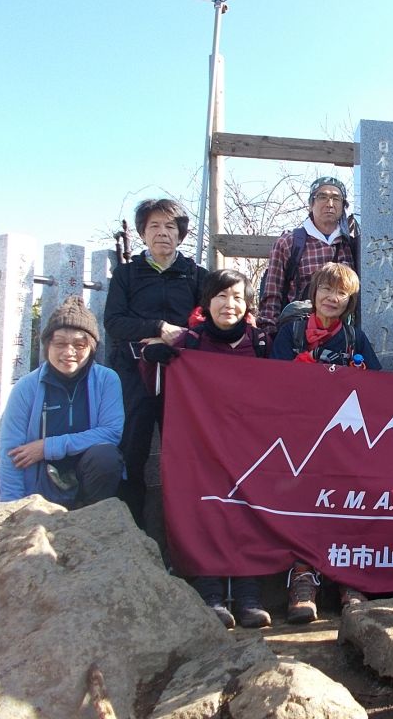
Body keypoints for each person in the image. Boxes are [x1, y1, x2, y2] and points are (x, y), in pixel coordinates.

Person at [142, 269, 272, 629]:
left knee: (249, 512)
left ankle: (249, 594)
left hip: (250, 446)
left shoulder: (261, 344)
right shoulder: (189, 342)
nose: (229, 305)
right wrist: (154, 359)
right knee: (202, 511)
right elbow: (155, 390)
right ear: (207, 301)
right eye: (221, 296)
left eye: (237, 298)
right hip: (199, 445)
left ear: (247, 306)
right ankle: (209, 590)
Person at [270, 261, 379, 622]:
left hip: (344, 438)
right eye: (326, 290)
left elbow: (380, 385)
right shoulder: (292, 332)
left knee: (344, 503)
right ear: (313, 293)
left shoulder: (354, 337)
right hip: (298, 435)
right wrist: (306, 365)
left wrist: (358, 375)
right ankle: (303, 578)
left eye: (342, 294)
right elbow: (270, 377)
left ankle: (348, 577)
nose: (333, 298)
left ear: (350, 302)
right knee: (305, 503)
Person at [103, 198, 206, 527]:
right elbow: (114, 323)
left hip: (180, 376)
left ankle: (180, 536)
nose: (163, 233)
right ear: (143, 233)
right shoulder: (127, 274)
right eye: (154, 226)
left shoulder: (195, 275)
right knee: (131, 451)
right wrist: (157, 328)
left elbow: (207, 323)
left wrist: (176, 340)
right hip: (133, 374)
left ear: (181, 234)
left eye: (170, 227)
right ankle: (130, 533)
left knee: (183, 456)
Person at [0, 296, 123, 506]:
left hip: (88, 481)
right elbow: (12, 453)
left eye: (79, 344)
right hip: (40, 489)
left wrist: (47, 447)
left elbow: (111, 432)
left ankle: (95, 518)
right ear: (47, 346)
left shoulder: (106, 380)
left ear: (91, 348)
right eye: (60, 344)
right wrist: (10, 508)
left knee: (106, 456)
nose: (69, 352)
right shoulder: (26, 388)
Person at [258, 177, 356, 335]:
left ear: (343, 206)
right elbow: (271, 294)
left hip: (341, 335)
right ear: (311, 204)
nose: (330, 204)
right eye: (322, 197)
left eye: (336, 198)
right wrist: (269, 335)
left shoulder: (351, 245)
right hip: (298, 333)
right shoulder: (289, 242)